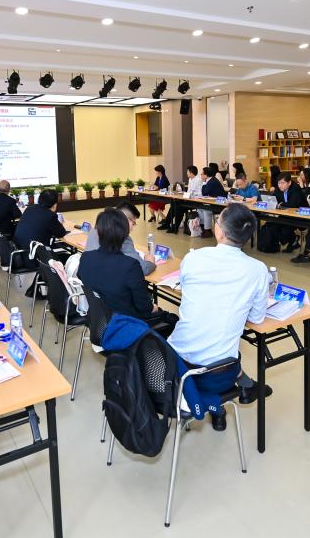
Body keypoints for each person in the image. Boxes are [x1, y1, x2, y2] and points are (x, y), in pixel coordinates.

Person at [168, 204, 272, 431]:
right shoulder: (257, 270)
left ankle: (225, 403)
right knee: (224, 346)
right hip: (217, 376)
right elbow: (257, 318)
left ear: (220, 232)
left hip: (173, 363)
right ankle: (225, 402)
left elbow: (187, 292)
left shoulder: (194, 258)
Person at [78, 209, 177, 332]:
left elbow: (83, 277)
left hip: (99, 324)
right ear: (124, 234)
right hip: (127, 326)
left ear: (98, 231)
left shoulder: (86, 257)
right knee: (173, 319)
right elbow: (145, 308)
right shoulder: (130, 266)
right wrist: (154, 308)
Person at [84, 201, 156, 276]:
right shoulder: (123, 239)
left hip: (89, 279)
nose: (133, 228)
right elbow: (144, 269)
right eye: (133, 223)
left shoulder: (93, 231)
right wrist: (150, 261)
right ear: (125, 219)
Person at [265, 173, 307, 253]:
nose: (280, 185)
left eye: (282, 183)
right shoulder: (279, 188)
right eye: (278, 183)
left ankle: (293, 240)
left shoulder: (295, 188)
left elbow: (292, 205)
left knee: (285, 230)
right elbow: (274, 199)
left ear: (289, 183)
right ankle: (293, 240)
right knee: (272, 226)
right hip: (286, 215)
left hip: (299, 216)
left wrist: (280, 205)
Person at [165, 165, 202, 234]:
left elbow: (199, 193)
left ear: (191, 173)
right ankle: (167, 223)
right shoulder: (190, 179)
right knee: (174, 204)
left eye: (187, 172)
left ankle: (175, 227)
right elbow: (189, 191)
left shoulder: (198, 180)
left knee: (179, 208)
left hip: (195, 201)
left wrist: (189, 194)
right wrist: (184, 194)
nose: (187, 173)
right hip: (189, 200)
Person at [198, 166, 227, 238]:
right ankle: (203, 228)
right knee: (200, 208)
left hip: (219, 204)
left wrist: (203, 182)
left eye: (202, 174)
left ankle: (208, 230)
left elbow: (204, 193)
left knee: (206, 210)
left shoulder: (212, 181)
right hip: (214, 202)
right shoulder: (211, 180)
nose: (201, 175)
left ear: (206, 175)